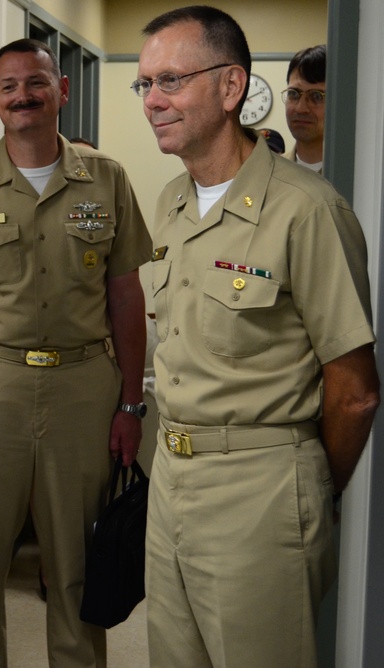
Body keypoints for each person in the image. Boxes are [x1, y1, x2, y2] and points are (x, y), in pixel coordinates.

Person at [135, 7, 379, 665]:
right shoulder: (170, 204)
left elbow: (355, 392)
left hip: (261, 490)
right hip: (171, 477)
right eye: (144, 85)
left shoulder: (308, 210)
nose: (153, 101)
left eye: (170, 82)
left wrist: (304, 491)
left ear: (230, 86)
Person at [0, 38, 152, 667]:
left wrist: (131, 406)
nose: (23, 95)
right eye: (9, 86)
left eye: (35, 82)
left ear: (61, 89)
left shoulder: (106, 178)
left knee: (77, 559)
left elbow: (125, 297)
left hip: (83, 386)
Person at [283, 44, 327, 172]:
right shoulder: (268, 174)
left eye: (316, 96)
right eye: (293, 94)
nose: (301, 108)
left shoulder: (359, 177)